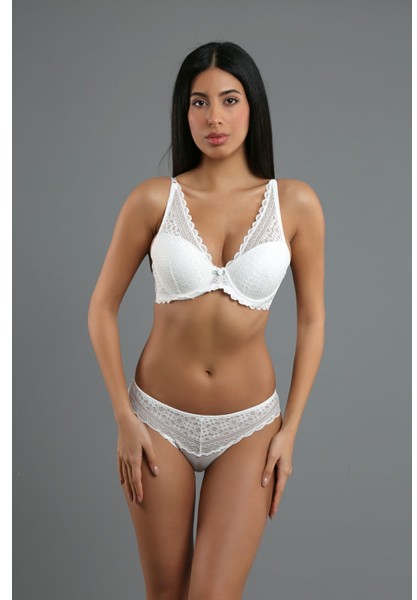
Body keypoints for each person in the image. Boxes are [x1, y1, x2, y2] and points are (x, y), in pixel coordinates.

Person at [87, 40, 325, 600]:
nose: (214, 117)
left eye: (229, 99)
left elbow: (313, 320)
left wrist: (291, 430)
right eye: (199, 102)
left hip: (249, 427)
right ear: (184, 111)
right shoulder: (153, 200)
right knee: (166, 593)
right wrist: (123, 418)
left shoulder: (295, 204)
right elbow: (101, 308)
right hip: (156, 421)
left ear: (253, 107)